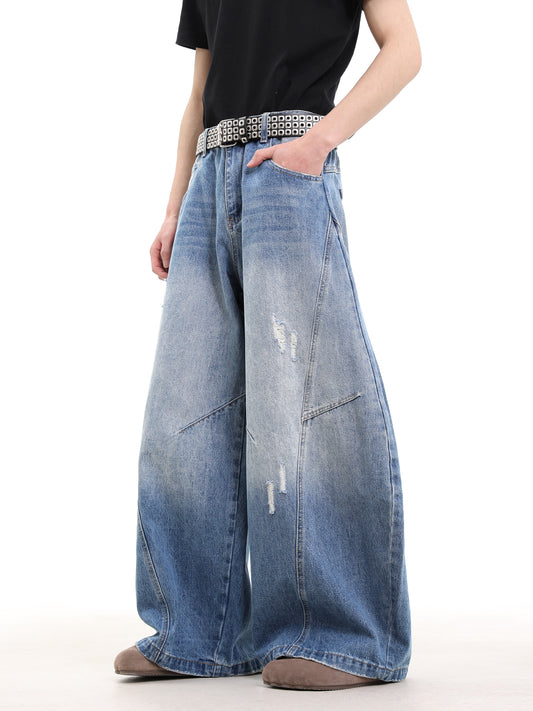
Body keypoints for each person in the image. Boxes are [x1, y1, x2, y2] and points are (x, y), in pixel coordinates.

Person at [114, 0, 421, 692]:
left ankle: (342, 636)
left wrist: (319, 142)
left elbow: (404, 48)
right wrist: (175, 204)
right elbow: (200, 90)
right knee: (183, 412)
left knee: (303, 409)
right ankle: (198, 629)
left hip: (289, 165)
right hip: (209, 175)